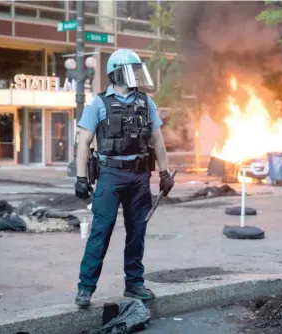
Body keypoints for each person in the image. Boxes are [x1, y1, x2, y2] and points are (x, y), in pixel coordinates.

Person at [73, 49, 175, 307]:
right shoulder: (98, 103)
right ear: (117, 74)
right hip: (110, 175)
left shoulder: (145, 103)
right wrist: (81, 178)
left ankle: (134, 284)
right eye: (132, 70)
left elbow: (158, 142)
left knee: (137, 232)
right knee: (101, 231)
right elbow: (83, 142)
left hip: (139, 176)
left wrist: (164, 172)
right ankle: (85, 288)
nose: (136, 76)